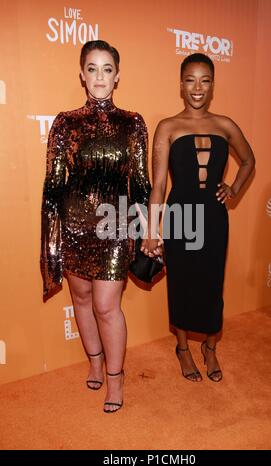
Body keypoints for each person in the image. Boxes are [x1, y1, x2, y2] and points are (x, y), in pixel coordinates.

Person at [41, 40, 151, 412]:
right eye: (92, 68)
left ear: (117, 76)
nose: (99, 76)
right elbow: (53, 186)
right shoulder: (64, 122)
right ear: (82, 74)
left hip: (115, 227)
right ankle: (94, 361)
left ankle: (116, 379)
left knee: (106, 305)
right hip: (75, 225)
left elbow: (141, 183)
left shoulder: (133, 123)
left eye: (107, 69)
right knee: (82, 300)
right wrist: (52, 240)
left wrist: (146, 229)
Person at [141, 53, 255, 382]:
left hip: (215, 218)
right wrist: (152, 228)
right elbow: (159, 184)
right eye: (190, 80)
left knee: (211, 283)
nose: (197, 87)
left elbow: (249, 161)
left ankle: (210, 347)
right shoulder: (168, 127)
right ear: (181, 84)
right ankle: (182, 348)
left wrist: (233, 188)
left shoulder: (225, 125)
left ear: (213, 86)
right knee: (181, 283)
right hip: (180, 216)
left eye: (205, 80)